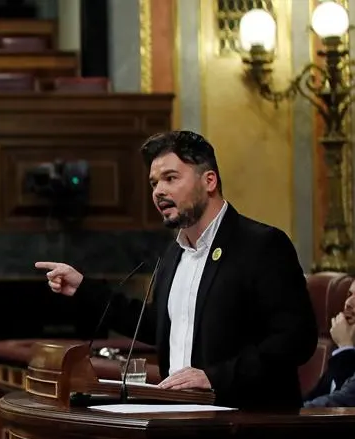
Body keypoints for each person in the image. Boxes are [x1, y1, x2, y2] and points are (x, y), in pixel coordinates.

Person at [36, 130, 316, 409]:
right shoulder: (174, 254)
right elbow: (157, 325)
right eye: (154, 183)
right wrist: (85, 289)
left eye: (171, 178)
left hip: (246, 425)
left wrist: (214, 377)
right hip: (179, 420)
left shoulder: (261, 245)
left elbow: (296, 338)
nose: (159, 191)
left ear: (209, 181)